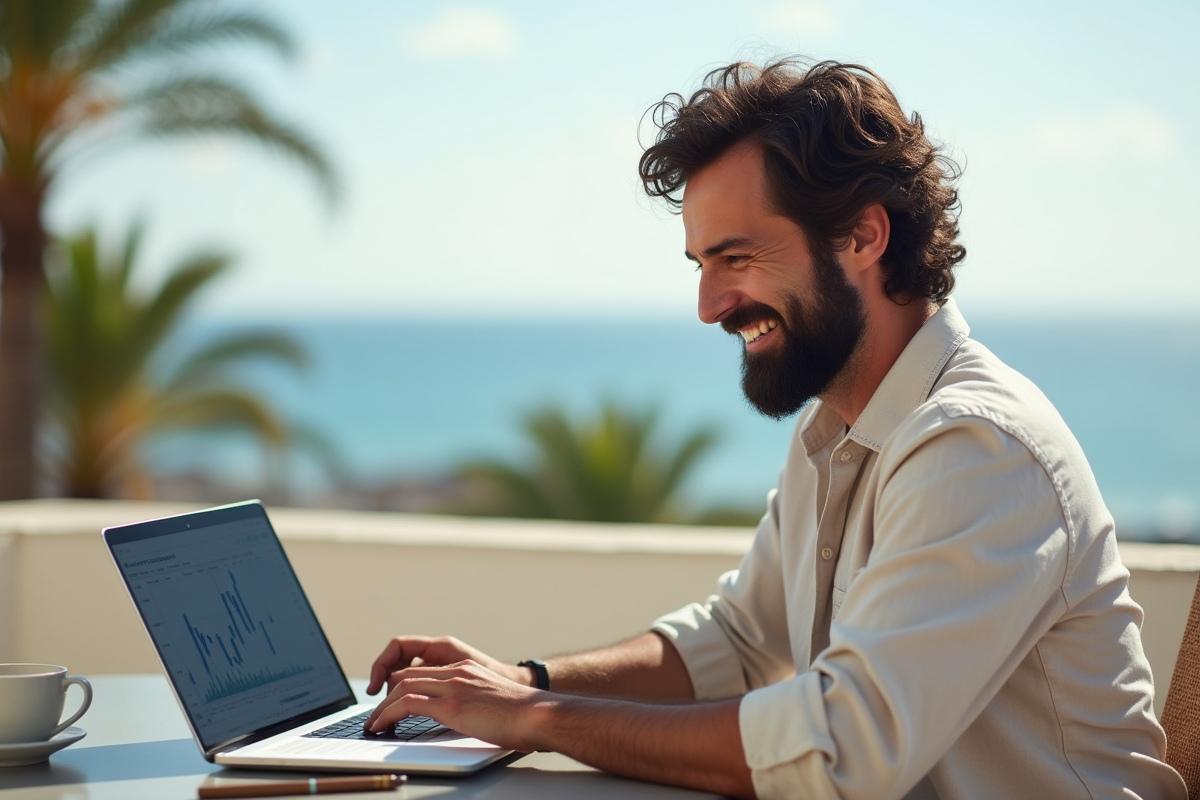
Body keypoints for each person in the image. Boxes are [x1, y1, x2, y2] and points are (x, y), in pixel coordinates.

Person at [362, 60, 1187, 800]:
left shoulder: (977, 446)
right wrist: (514, 681)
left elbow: (840, 751)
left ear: (864, 235)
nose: (709, 305)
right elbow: (740, 642)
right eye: (701, 266)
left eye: (738, 258)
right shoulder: (835, 433)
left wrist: (536, 716)